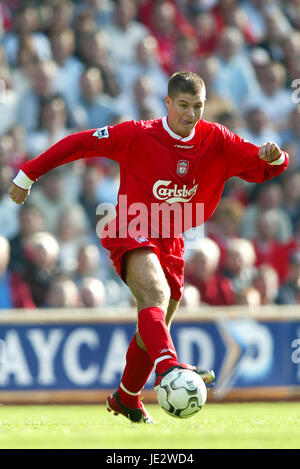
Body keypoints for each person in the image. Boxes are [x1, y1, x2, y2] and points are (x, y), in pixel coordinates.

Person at [8, 71, 288, 423]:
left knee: (152, 327)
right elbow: (80, 142)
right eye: (183, 105)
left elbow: (270, 166)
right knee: (154, 296)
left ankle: (126, 397)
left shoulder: (216, 139)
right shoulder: (138, 134)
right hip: (132, 224)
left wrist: (275, 156)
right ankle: (169, 369)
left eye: (198, 106)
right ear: (167, 103)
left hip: (173, 240)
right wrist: (28, 173)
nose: (190, 114)